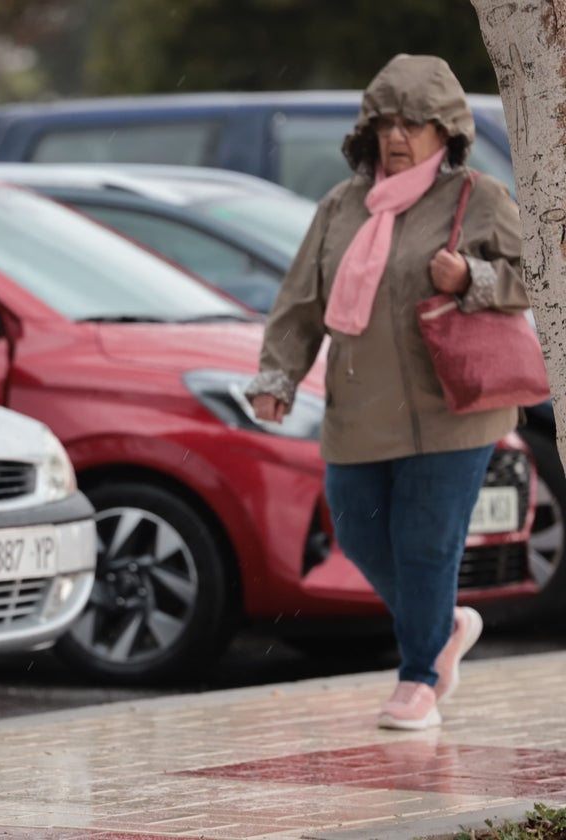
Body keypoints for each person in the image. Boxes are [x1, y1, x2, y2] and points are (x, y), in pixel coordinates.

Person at [244, 54, 528, 731]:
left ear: (447, 132)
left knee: (427, 546)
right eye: (387, 123)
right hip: (358, 408)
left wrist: (472, 281)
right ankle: (446, 623)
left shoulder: (478, 198)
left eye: (416, 124)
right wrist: (277, 378)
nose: (398, 139)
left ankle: (419, 675)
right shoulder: (342, 206)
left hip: (451, 410)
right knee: (361, 534)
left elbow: (538, 277)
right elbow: (300, 303)